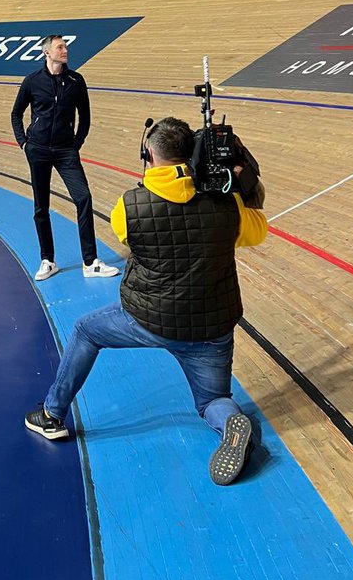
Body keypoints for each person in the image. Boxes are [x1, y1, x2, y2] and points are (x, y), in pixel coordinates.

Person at [25, 116, 268, 486]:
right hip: (211, 327)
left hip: (147, 320)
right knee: (210, 402)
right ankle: (229, 420)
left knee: (87, 331)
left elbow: (127, 237)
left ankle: (52, 415)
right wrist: (240, 183)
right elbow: (258, 230)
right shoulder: (228, 205)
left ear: (148, 154)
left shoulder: (128, 206)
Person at [11, 33, 120, 282]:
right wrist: (23, 143)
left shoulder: (76, 81)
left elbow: (85, 117)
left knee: (83, 198)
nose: (65, 51)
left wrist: (76, 143)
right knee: (41, 206)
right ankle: (48, 260)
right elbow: (16, 114)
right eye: (60, 47)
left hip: (65, 151)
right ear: (46, 53)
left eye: (65, 47)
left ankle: (90, 262)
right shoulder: (32, 81)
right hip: (37, 149)